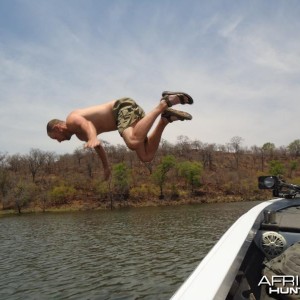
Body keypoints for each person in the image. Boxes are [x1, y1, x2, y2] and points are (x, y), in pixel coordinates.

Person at [47, 91, 194, 180]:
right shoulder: (80, 136)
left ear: (58, 128)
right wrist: (106, 167)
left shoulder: (71, 119)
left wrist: (92, 137)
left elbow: (87, 124)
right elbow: (98, 147)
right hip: (123, 120)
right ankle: (165, 119)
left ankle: (165, 102)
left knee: (132, 142)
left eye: (55, 137)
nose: (59, 142)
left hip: (121, 108)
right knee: (146, 156)